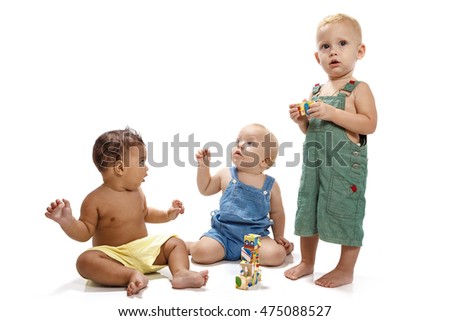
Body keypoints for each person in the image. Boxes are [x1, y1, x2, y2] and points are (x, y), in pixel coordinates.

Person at [45, 127, 208, 296]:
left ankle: (180, 273)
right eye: (141, 162)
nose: (147, 168)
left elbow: (146, 213)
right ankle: (131, 275)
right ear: (120, 168)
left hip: (143, 251)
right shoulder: (94, 200)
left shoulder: (137, 193)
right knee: (85, 261)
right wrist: (68, 222)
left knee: (176, 243)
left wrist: (167, 214)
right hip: (114, 257)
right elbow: (84, 233)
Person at [284, 13, 377, 287]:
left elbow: (369, 125)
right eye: (325, 46)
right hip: (314, 166)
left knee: (345, 211)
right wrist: (302, 121)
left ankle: (345, 269)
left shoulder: (358, 89)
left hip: (344, 169)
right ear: (317, 57)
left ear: (359, 51)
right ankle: (307, 261)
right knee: (307, 208)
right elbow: (312, 130)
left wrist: (332, 112)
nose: (333, 51)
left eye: (342, 43)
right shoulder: (316, 91)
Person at [187, 123, 294, 266]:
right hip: (223, 235)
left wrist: (279, 236)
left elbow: (277, 213)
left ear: (264, 161)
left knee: (276, 256)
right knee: (200, 253)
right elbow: (205, 189)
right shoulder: (225, 174)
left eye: (250, 143)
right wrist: (203, 167)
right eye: (238, 141)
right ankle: (191, 245)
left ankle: (281, 249)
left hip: (256, 238)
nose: (240, 145)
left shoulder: (270, 185)